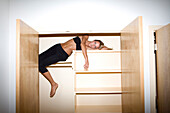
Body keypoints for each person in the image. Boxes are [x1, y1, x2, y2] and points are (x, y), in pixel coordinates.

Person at [39, 34, 112, 97]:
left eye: (95, 46)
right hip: (57, 47)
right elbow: (82, 44)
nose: (93, 45)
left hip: (61, 54)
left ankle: (53, 84)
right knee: (38, 58)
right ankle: (53, 83)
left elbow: (103, 49)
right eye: (95, 43)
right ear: (94, 40)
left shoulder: (88, 49)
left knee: (40, 65)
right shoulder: (85, 36)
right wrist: (86, 59)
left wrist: (108, 49)